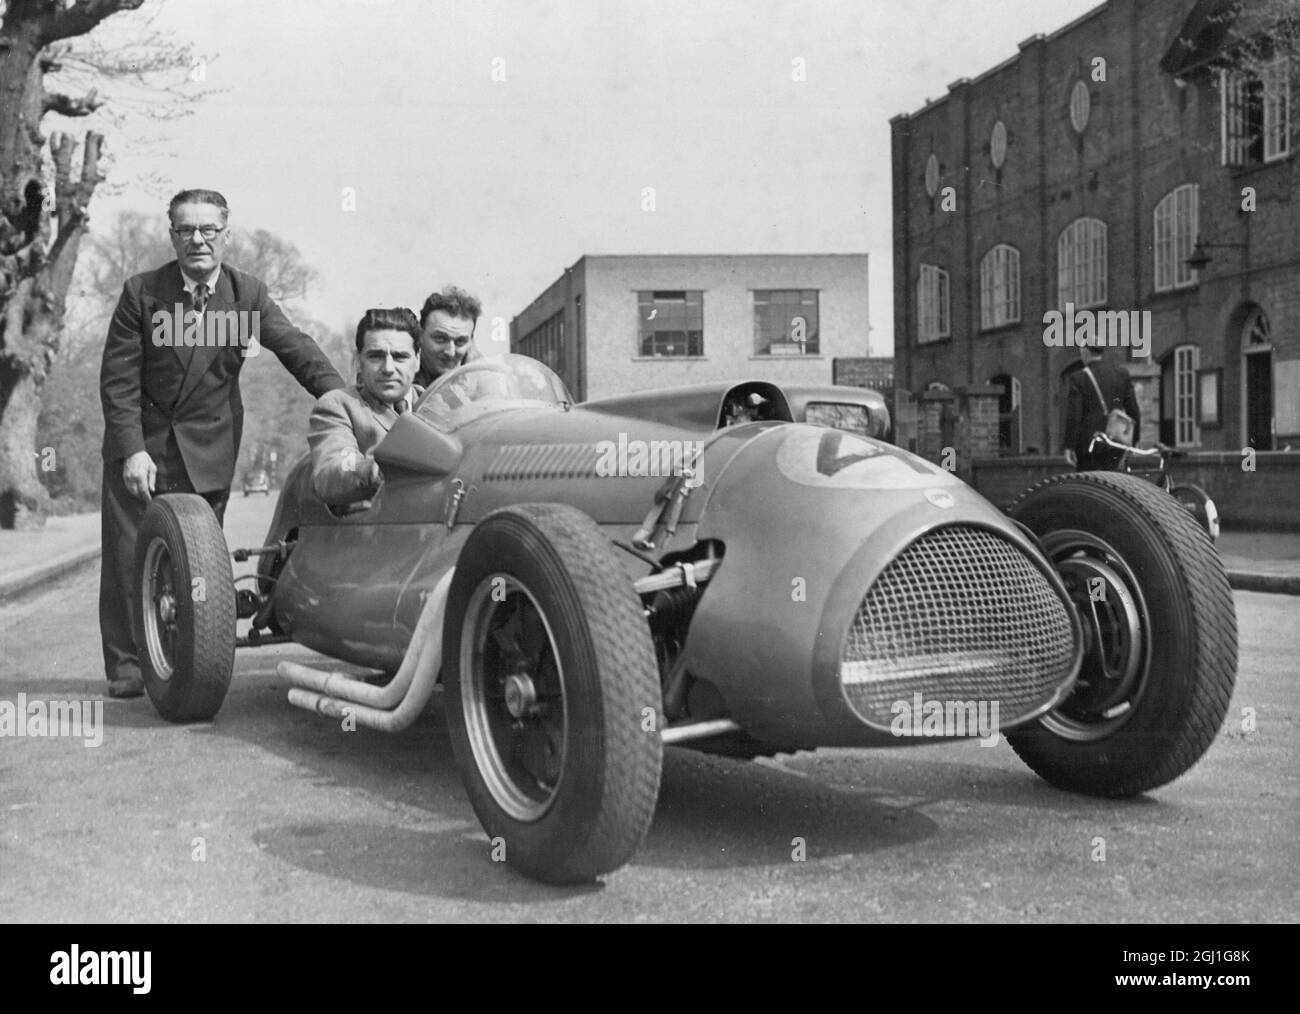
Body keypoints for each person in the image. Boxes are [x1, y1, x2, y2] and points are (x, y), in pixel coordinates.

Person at [99, 188, 345, 699]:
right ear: (172, 235)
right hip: (142, 445)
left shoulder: (247, 295)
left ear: (225, 235)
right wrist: (131, 450)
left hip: (208, 445)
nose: (197, 240)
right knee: (128, 554)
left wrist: (345, 399)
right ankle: (126, 664)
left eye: (208, 230)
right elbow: (118, 380)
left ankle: (185, 661)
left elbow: (295, 348)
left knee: (198, 563)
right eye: (186, 230)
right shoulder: (141, 292)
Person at [309, 308, 422, 509]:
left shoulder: (441, 404)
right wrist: (374, 471)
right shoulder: (339, 406)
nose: (388, 368)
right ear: (359, 361)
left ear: (417, 360)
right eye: (376, 356)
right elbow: (334, 468)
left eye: (400, 356)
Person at [1061, 342, 1141, 470]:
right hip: (1116, 443)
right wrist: (1134, 439)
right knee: (1115, 484)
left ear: (1086, 352)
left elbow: (1074, 416)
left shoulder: (1079, 378)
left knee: (1090, 486)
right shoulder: (1121, 374)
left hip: (1089, 447)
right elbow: (1134, 411)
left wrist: (1069, 446)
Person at [414, 284, 484, 387]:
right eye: (440, 339)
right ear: (420, 335)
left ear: (471, 341)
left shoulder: (483, 375)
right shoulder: (401, 372)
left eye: (460, 342)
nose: (450, 353)